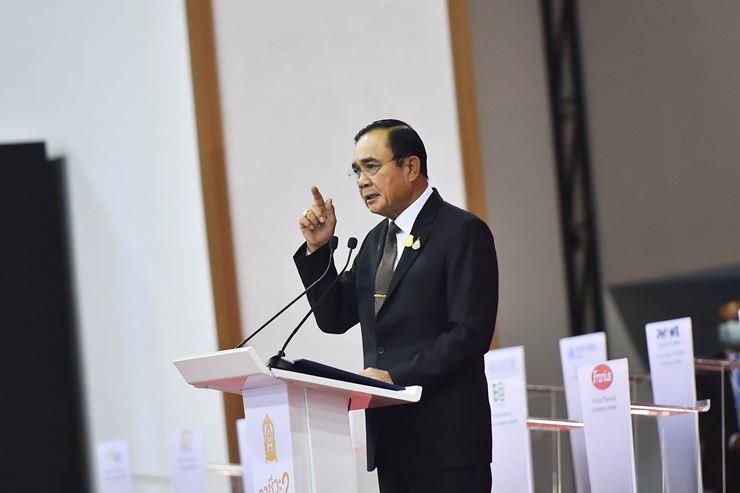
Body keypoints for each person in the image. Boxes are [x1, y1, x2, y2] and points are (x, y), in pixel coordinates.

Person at [293, 119, 498, 493]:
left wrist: (395, 378)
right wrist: (318, 250)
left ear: (411, 167)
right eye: (357, 171)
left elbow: (469, 334)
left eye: (371, 166)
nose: (361, 181)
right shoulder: (375, 243)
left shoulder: (461, 231)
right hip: (391, 443)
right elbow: (334, 316)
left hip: (447, 445)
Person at [696, 299, 740, 493]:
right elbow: (701, 419)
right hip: (723, 469)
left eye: (734, 320)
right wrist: (732, 440)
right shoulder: (707, 368)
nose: (729, 326)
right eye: (724, 322)